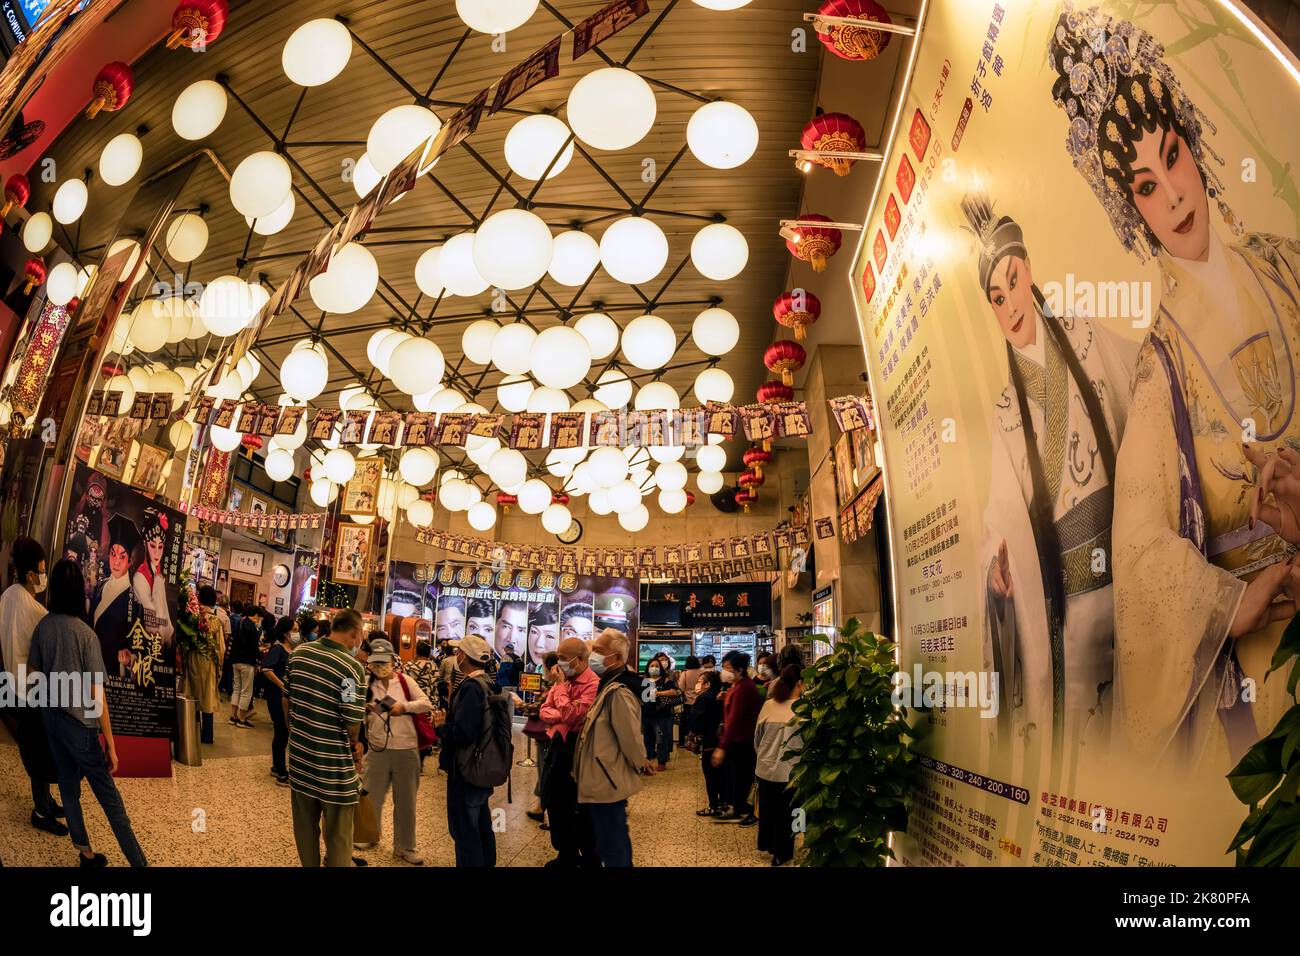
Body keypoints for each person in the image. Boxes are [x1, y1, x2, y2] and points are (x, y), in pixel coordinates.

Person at [1048, 7, 1300, 775]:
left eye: (1175, 159)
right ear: (1135, 212)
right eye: (1147, 188)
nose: (1176, 198)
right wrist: (1230, 603)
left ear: (1195, 146)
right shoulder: (1162, 367)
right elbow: (1139, 543)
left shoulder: (1288, 266)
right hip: (1276, 647)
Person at [29, 559, 147, 866]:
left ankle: (85, 853)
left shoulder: (44, 626)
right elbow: (98, 697)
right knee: (110, 799)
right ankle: (139, 863)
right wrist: (111, 742)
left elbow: (33, 673)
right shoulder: (86, 635)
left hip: (52, 720)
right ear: (79, 590)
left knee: (68, 787)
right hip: (81, 728)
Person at [285, 608, 367, 867]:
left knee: (305, 829)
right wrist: (357, 746)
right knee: (339, 837)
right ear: (354, 633)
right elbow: (352, 722)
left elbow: (285, 699)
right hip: (334, 771)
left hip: (300, 761)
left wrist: (297, 732)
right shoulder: (351, 668)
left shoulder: (299, 654)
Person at [0, 536, 66, 837]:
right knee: (40, 754)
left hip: (9, 687)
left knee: (32, 747)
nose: (43, 576)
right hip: (32, 694)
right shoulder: (38, 613)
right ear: (30, 574)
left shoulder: (7, 596)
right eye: (41, 570)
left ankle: (46, 800)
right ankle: (41, 812)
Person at [573, 628, 651, 867]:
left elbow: (629, 736)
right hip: (602, 776)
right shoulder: (607, 684)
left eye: (598, 651)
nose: (592, 655)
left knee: (612, 842)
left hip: (609, 778)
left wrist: (641, 761)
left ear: (616, 658)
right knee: (608, 839)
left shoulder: (619, 691)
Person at [362, 638, 434, 865]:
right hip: (377, 749)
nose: (380, 667)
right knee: (372, 795)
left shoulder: (405, 681)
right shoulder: (365, 684)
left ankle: (405, 846)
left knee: (406, 801)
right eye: (376, 662)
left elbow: (426, 703)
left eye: (384, 661)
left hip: (406, 749)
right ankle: (368, 835)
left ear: (393, 660)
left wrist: (405, 707)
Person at [435, 634, 498, 866]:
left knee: (464, 830)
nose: (455, 656)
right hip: (480, 766)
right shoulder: (489, 683)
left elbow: (463, 734)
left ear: (463, 656)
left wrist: (441, 727)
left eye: (457, 652)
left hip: (465, 770)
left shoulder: (472, 688)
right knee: (481, 825)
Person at [537, 636, 599, 866]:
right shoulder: (562, 681)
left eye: (563, 658)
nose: (558, 663)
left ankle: (589, 856)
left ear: (580, 659)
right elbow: (544, 711)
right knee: (555, 802)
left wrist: (561, 692)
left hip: (578, 751)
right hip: (556, 747)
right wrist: (563, 713)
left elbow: (576, 715)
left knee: (579, 807)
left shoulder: (592, 683)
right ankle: (566, 853)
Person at [754, 665, 804, 865]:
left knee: (767, 810)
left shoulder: (769, 705)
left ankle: (770, 845)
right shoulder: (804, 708)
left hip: (765, 767)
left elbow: (757, 738)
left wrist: (762, 755)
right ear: (800, 683)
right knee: (787, 813)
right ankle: (782, 852)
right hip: (790, 771)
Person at [713, 651, 760, 826]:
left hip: (742, 740)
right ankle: (739, 807)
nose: (724, 671)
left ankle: (742, 809)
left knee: (740, 778)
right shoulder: (736, 685)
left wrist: (721, 747)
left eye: (728, 668)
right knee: (735, 776)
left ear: (739, 670)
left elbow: (734, 719)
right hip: (736, 739)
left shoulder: (744, 687)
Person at [187, 586, 225, 744]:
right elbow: (221, 648)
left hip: (193, 658)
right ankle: (207, 734)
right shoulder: (216, 620)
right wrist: (220, 666)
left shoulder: (192, 616)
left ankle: (191, 730)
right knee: (207, 696)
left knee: (192, 693)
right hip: (208, 661)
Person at [261, 617, 293, 785]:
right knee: (281, 731)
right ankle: (281, 771)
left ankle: (277, 766)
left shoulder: (289, 649)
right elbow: (266, 669)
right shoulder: (278, 649)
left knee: (282, 732)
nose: (296, 633)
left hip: (284, 698)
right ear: (286, 632)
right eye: (294, 629)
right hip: (276, 697)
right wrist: (282, 685)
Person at [693, 670, 728, 817]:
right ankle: (724, 802)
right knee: (722, 775)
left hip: (709, 741)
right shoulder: (724, 696)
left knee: (710, 775)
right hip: (724, 742)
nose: (697, 685)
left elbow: (696, 721)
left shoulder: (703, 698)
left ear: (708, 683)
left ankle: (713, 805)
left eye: (700, 681)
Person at [641, 652, 680, 772]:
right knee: (648, 739)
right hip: (647, 714)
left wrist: (658, 693)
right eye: (652, 666)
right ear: (648, 668)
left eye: (657, 666)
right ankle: (650, 758)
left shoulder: (665, 680)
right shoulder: (644, 680)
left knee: (661, 738)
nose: (654, 668)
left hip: (661, 713)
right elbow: (642, 696)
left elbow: (674, 692)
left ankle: (662, 761)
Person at [228, 614, 261, 728]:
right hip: (247, 662)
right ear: (256, 616)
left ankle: (233, 717)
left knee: (236, 689)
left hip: (235, 660)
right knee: (246, 691)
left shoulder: (240, 622)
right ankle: (241, 719)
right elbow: (254, 647)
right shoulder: (253, 627)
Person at [678, 654, 702, 745]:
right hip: (699, 700)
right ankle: (698, 740)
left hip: (688, 701)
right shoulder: (702, 672)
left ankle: (682, 741)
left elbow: (681, 687)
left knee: (685, 721)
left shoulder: (685, 673)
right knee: (698, 721)